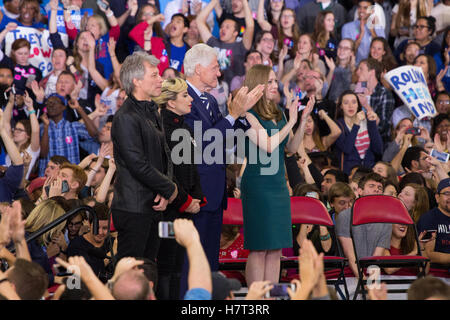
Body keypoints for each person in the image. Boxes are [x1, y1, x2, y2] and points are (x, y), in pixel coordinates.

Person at [179, 43, 262, 296]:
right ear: (198, 68)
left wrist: (240, 116)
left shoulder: (209, 100)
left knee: (210, 262)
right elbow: (201, 142)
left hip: (214, 193)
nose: (218, 74)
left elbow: (223, 138)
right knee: (193, 262)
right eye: (215, 68)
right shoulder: (182, 100)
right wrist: (231, 116)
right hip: (195, 193)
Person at [241, 64, 314, 287]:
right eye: (270, 81)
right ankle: (256, 298)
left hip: (278, 186)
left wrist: (301, 121)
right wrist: (291, 121)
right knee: (259, 247)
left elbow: (290, 147)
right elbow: (269, 146)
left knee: (275, 248)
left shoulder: (278, 112)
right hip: (257, 186)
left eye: (275, 81)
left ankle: (270, 295)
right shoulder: (247, 114)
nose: (275, 85)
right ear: (258, 84)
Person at [111, 51, 178, 264]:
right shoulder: (126, 117)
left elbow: (165, 155)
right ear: (136, 81)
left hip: (153, 205)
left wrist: (165, 190)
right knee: (130, 274)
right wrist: (169, 188)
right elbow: (137, 163)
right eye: (155, 75)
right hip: (134, 208)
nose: (161, 79)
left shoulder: (151, 110)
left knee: (149, 271)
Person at [152, 77, 206, 300]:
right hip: (169, 211)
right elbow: (166, 174)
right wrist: (186, 200)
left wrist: (197, 199)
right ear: (171, 103)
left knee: (177, 267)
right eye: (185, 95)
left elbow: (190, 169)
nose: (190, 99)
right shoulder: (162, 129)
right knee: (166, 266)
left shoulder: (182, 126)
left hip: (184, 209)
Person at [336, 172, 392, 279]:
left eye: (380, 188)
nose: (376, 189)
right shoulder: (345, 216)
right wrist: (363, 281)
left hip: (371, 273)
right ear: (359, 191)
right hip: (348, 274)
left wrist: (371, 284)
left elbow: (376, 258)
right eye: (371, 186)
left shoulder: (386, 220)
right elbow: (350, 254)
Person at [37, 95, 98, 176]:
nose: (51, 105)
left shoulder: (73, 126)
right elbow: (42, 154)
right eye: (48, 103)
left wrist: (78, 108)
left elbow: (94, 134)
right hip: (46, 177)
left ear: (63, 107)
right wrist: (46, 127)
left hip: (70, 177)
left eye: (55, 102)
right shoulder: (41, 128)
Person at [196, 0, 254, 86]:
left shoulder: (241, 46)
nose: (223, 29)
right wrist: (214, 1)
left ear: (235, 33)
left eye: (227, 27)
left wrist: (244, 1)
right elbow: (199, 21)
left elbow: (250, 26)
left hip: (233, 91)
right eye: (222, 26)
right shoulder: (213, 42)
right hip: (212, 89)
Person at [334, 90, 383, 175]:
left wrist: (372, 124)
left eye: (354, 102)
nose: (350, 106)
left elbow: (378, 149)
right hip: (349, 173)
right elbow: (347, 149)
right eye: (346, 103)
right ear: (341, 106)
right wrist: (356, 124)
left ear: (358, 105)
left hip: (369, 170)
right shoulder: (338, 125)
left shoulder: (366, 122)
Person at [67, 202, 112, 283]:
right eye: (97, 227)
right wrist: (111, 255)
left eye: (105, 228)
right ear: (89, 224)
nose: (100, 232)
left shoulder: (112, 243)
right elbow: (84, 277)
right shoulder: (76, 246)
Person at [355, 58, 395, 144]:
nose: (357, 72)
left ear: (372, 72)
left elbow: (383, 127)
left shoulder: (385, 94)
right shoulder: (359, 90)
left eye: (361, 69)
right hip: (358, 141)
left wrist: (366, 105)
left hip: (377, 143)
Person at [417, 178, 450, 269]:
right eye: (447, 193)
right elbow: (428, 254)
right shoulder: (429, 218)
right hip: (437, 275)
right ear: (437, 197)